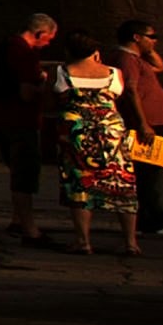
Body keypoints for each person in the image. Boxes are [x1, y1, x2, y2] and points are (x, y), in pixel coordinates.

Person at [0, 10, 63, 240]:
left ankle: (17, 220)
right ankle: (29, 227)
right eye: (49, 38)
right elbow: (26, 93)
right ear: (40, 33)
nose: (48, 43)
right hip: (21, 120)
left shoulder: (3, 47)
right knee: (25, 174)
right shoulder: (24, 54)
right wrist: (44, 84)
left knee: (16, 169)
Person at [51, 35, 140, 258]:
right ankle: (131, 242)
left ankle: (83, 241)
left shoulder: (61, 72)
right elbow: (119, 94)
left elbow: (51, 97)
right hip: (111, 135)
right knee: (122, 182)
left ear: (68, 52)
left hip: (76, 135)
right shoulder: (113, 73)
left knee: (79, 183)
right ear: (95, 51)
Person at [119, 20, 163, 244]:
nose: (154, 40)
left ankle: (151, 217)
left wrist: (150, 47)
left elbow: (160, 66)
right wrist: (143, 123)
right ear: (136, 37)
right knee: (149, 175)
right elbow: (131, 89)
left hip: (156, 122)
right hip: (148, 125)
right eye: (151, 36)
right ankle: (151, 220)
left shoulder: (137, 58)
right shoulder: (127, 59)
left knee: (154, 173)